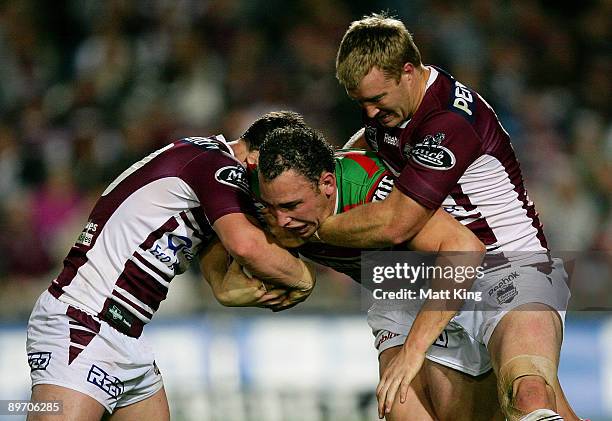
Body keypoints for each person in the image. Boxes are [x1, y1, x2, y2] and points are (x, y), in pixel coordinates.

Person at [313, 12, 578, 421]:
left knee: (529, 393)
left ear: (407, 71)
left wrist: (316, 229)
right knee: (406, 409)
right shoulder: (390, 112)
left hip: (506, 268)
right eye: (359, 102)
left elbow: (397, 221)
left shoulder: (450, 121)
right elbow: (355, 155)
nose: (368, 112)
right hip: (423, 275)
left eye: (376, 100)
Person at [25, 111, 316, 421]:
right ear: (259, 157)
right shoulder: (218, 166)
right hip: (83, 322)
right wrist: (304, 279)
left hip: (126, 337)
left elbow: (221, 280)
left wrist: (234, 291)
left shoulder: (205, 166)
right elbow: (246, 246)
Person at [253, 125, 500, 420]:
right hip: (397, 291)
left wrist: (413, 350)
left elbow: (463, 248)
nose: (282, 220)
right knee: (399, 405)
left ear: (328, 185)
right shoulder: (264, 207)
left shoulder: (372, 192)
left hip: (457, 287)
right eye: (272, 207)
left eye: (292, 206)